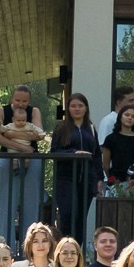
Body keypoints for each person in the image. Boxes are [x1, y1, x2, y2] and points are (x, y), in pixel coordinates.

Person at [0, 85, 45, 243]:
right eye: (17, 100)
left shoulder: (34, 111)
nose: (20, 104)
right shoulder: (1, 111)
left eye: (24, 101)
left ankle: (28, 245)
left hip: (32, 160)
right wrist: (23, 147)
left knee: (31, 203)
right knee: (5, 204)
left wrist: (10, 134)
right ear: (11, 98)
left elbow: (38, 135)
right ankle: (4, 244)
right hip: (7, 158)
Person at [50, 92, 99, 241]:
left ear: (86, 108)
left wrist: (99, 178)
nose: (77, 109)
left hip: (87, 180)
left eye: (80, 106)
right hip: (65, 178)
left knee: (81, 218)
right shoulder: (61, 128)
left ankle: (77, 251)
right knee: (68, 214)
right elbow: (54, 151)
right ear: (68, 108)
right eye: (73, 106)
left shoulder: (91, 128)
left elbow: (97, 155)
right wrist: (73, 153)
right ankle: (63, 248)